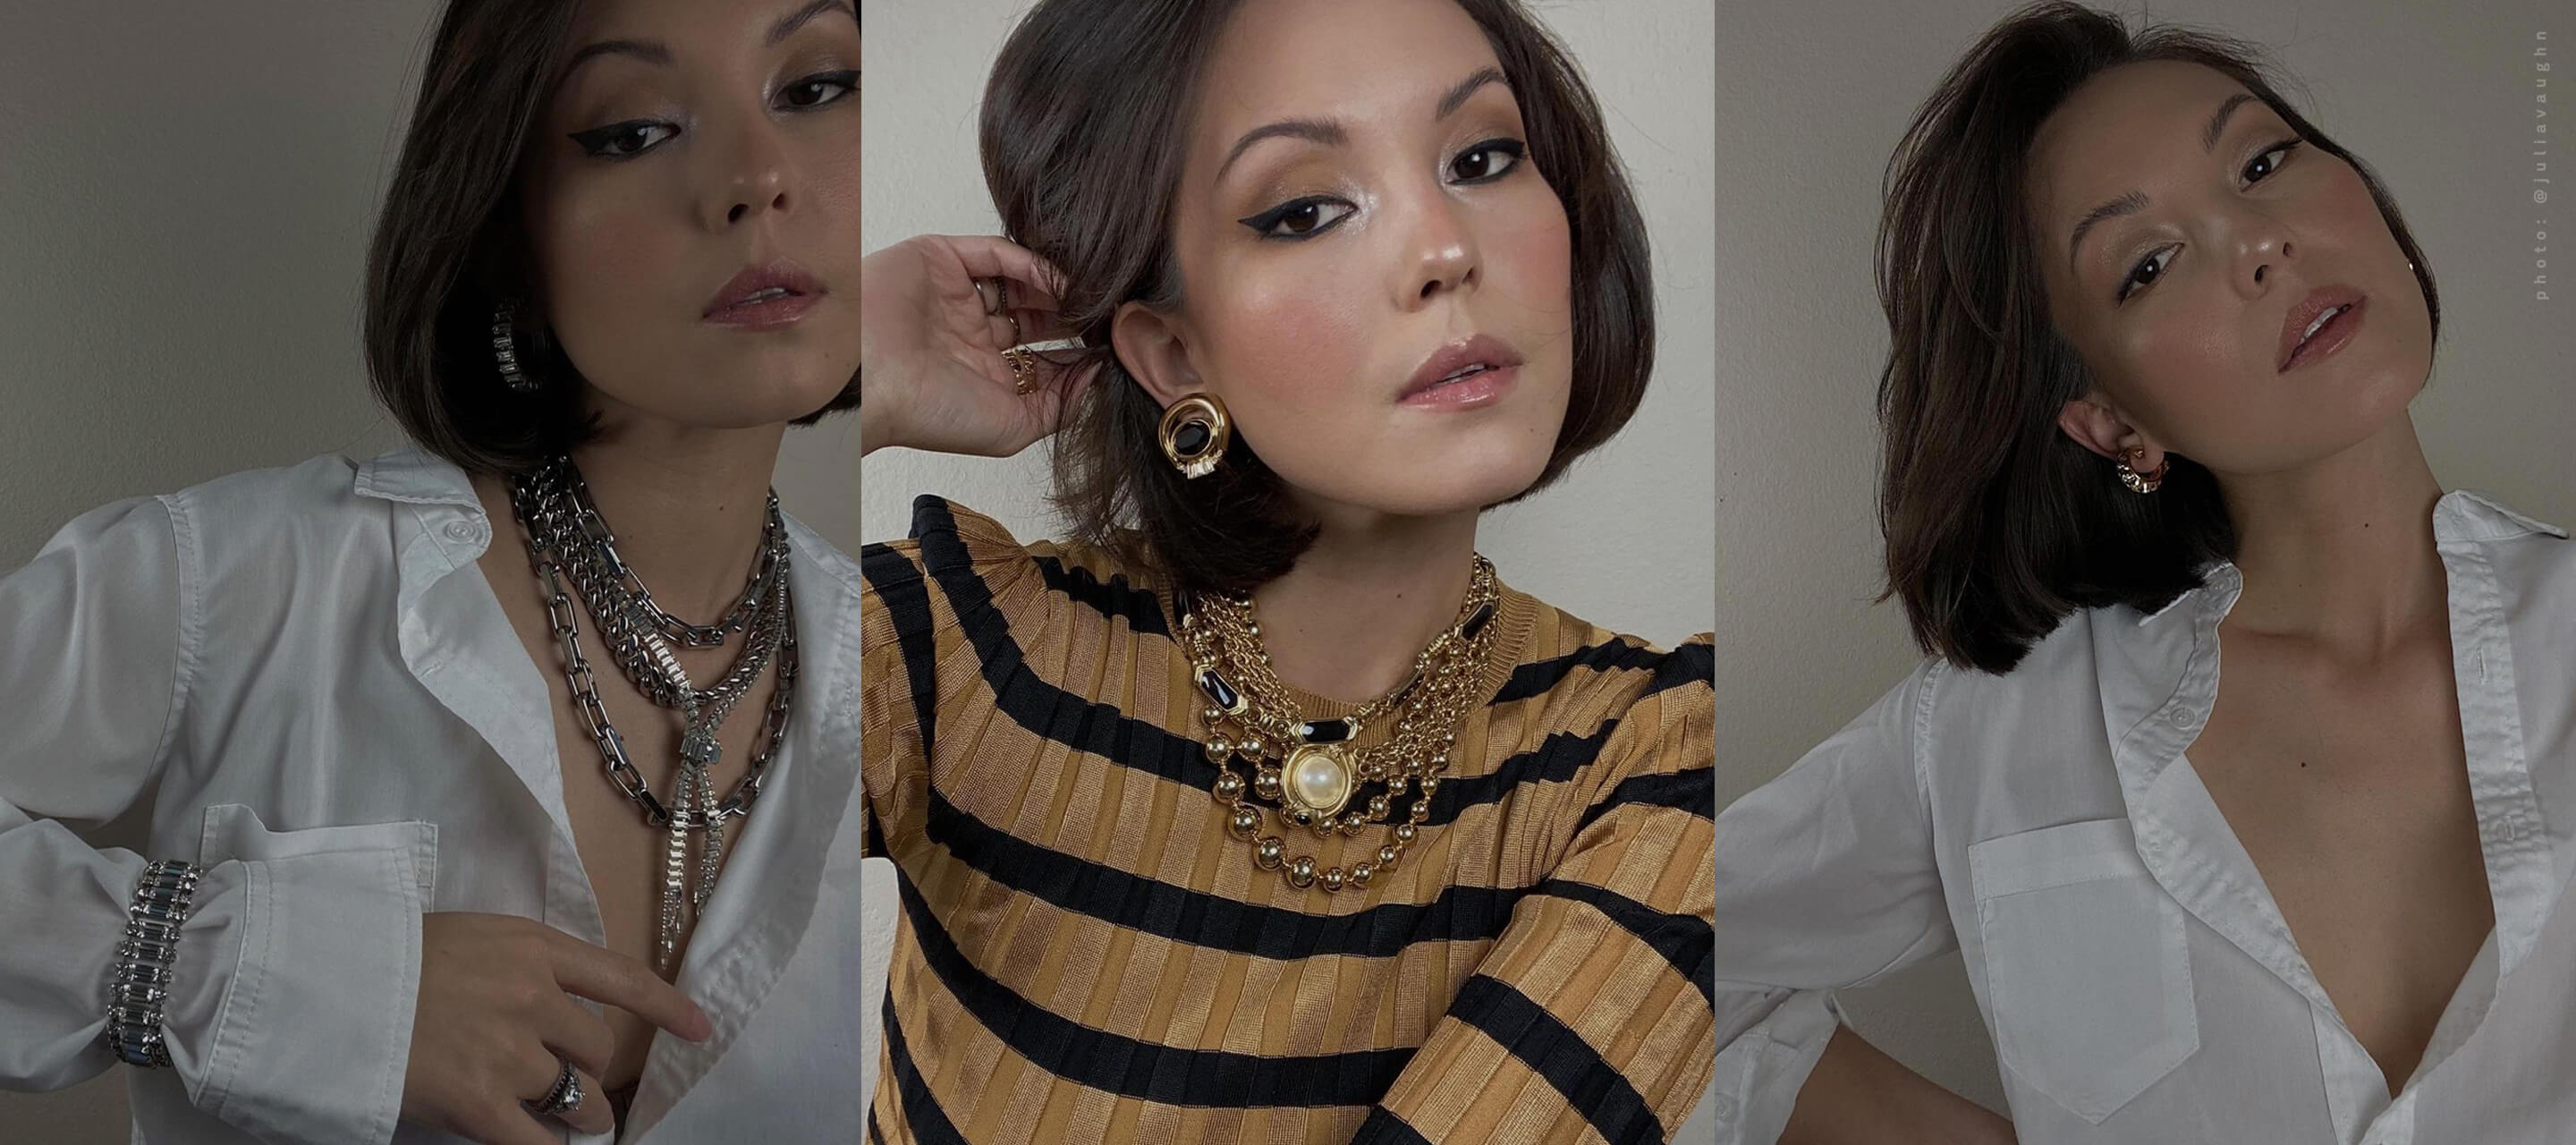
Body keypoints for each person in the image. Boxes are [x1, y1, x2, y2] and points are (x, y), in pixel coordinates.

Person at [0, 1, 866, 1141]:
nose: (756, 176)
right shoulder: (247, 581)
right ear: (509, 229)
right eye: (634, 129)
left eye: (814, 90)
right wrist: (291, 981)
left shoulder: (913, 665)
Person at [1711, 4, 2575, 1143]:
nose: (2259, 244)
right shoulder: (1992, 736)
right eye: (2150, 263)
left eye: (2262, 162)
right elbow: (1625, 960)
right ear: (2112, 421)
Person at [855, 0, 1716, 1141]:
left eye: (1482, 156)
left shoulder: (1666, 753)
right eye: (1307, 208)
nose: (1445, 247)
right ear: (1172, 352)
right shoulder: (960, 650)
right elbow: (582, 823)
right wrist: (828, 375)